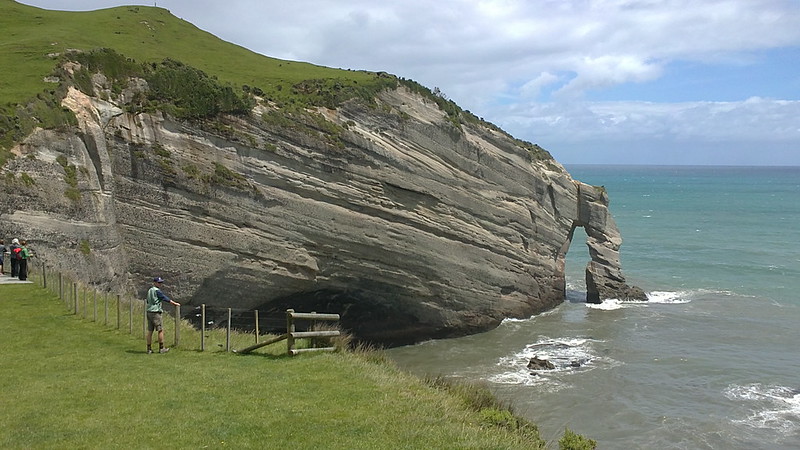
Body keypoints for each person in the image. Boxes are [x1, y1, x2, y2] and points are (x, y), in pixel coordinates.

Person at [146, 277, 180, 354]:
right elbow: (165, 298)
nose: (160, 284)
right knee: (160, 330)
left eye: (161, 282)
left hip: (149, 311)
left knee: (150, 331)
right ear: (154, 283)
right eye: (159, 282)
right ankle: (161, 348)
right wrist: (174, 303)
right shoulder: (157, 291)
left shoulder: (150, 290)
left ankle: (149, 349)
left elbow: (148, 300)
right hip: (155, 312)